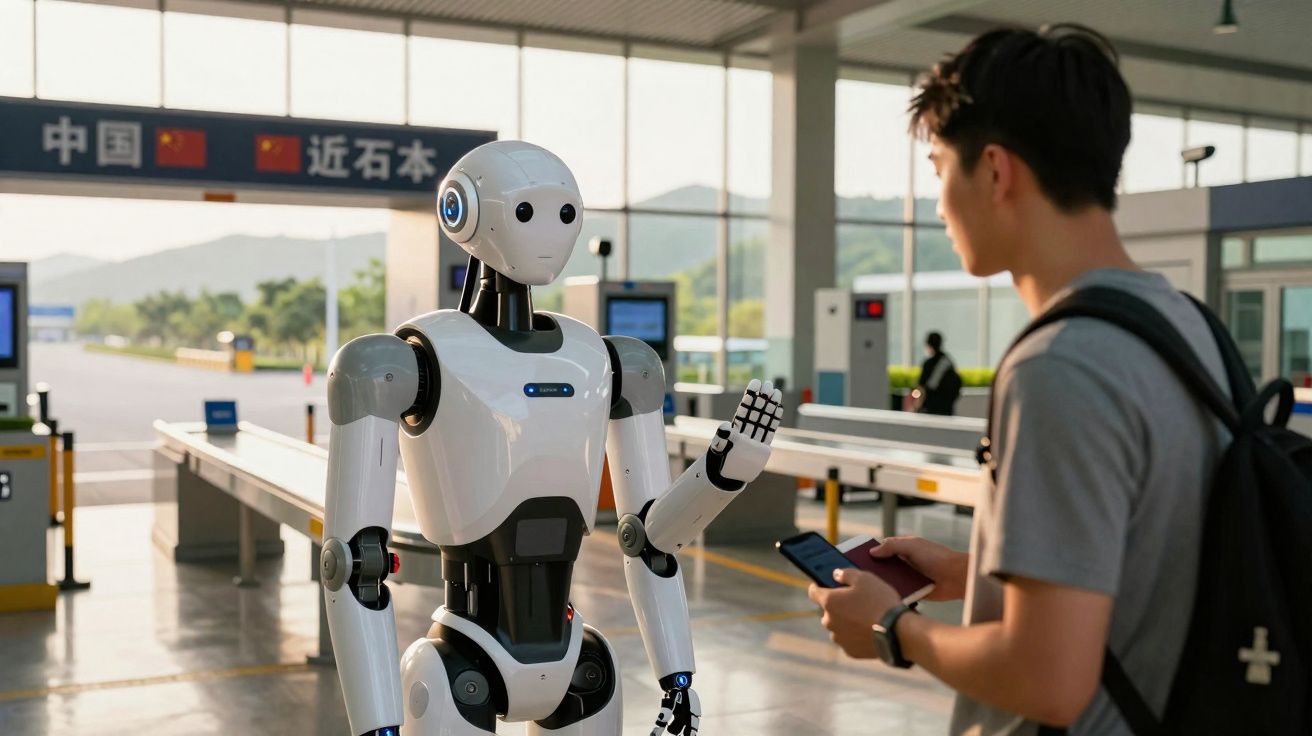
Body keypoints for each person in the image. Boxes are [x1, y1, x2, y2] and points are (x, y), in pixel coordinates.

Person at [808, 24, 1230, 735]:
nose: (939, 205)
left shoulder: (1061, 365)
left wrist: (891, 629)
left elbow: (1050, 679)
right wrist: (973, 572)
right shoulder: (1189, 327)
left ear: (996, 171)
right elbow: (1147, 568)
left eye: (941, 168)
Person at [913, 331, 962, 416]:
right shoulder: (948, 361)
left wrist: (916, 407)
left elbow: (922, 388)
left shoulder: (928, 364)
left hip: (930, 409)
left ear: (928, 345)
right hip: (947, 409)